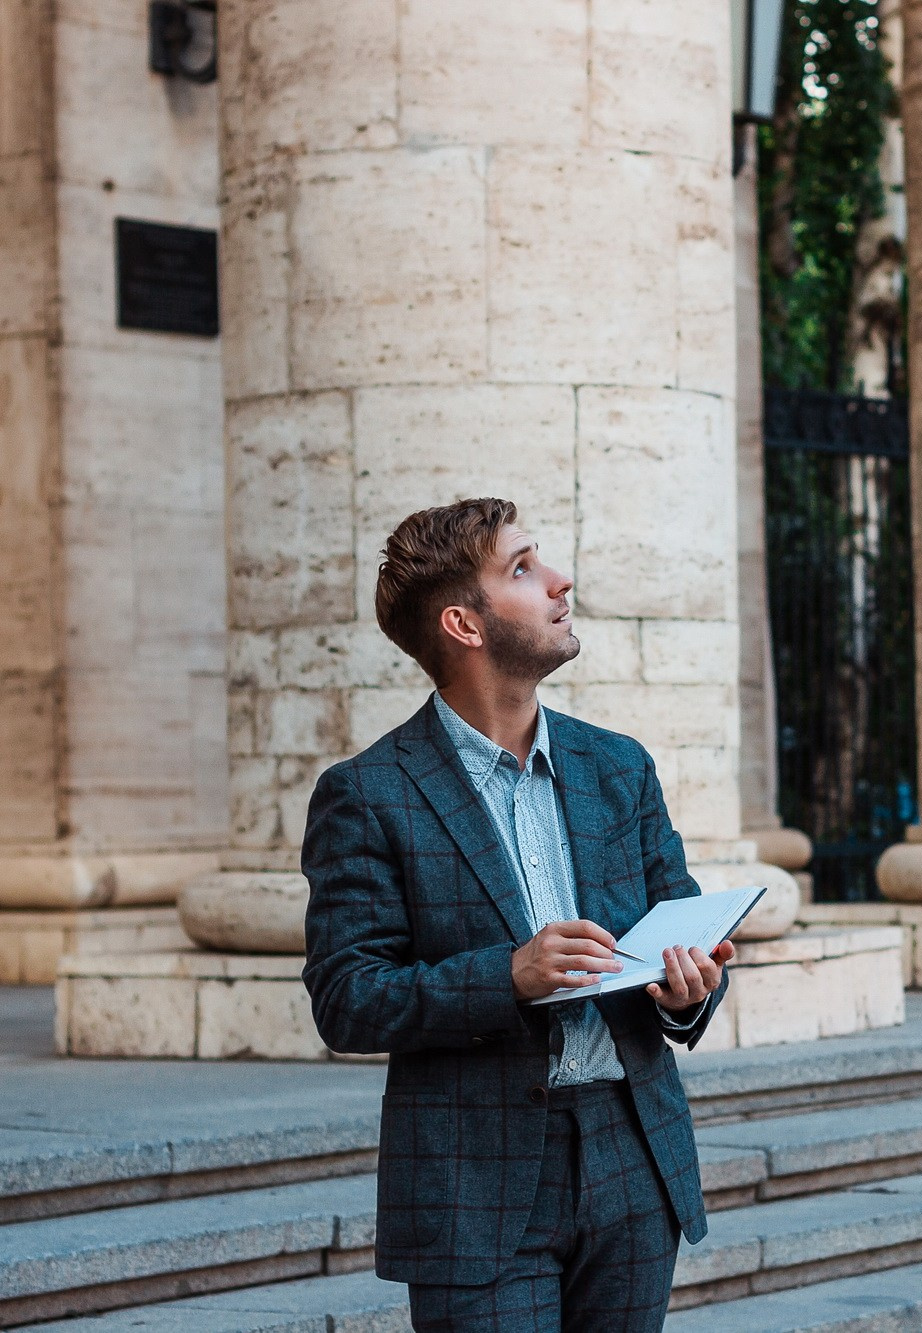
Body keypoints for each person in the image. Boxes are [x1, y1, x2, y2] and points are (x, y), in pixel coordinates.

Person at [301, 497, 735, 1332]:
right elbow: (347, 996)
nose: (560, 580)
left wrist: (690, 990)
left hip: (632, 1155)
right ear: (464, 622)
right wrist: (507, 975)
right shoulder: (368, 794)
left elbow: (685, 930)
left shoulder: (619, 766)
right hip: (476, 1181)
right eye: (525, 568)